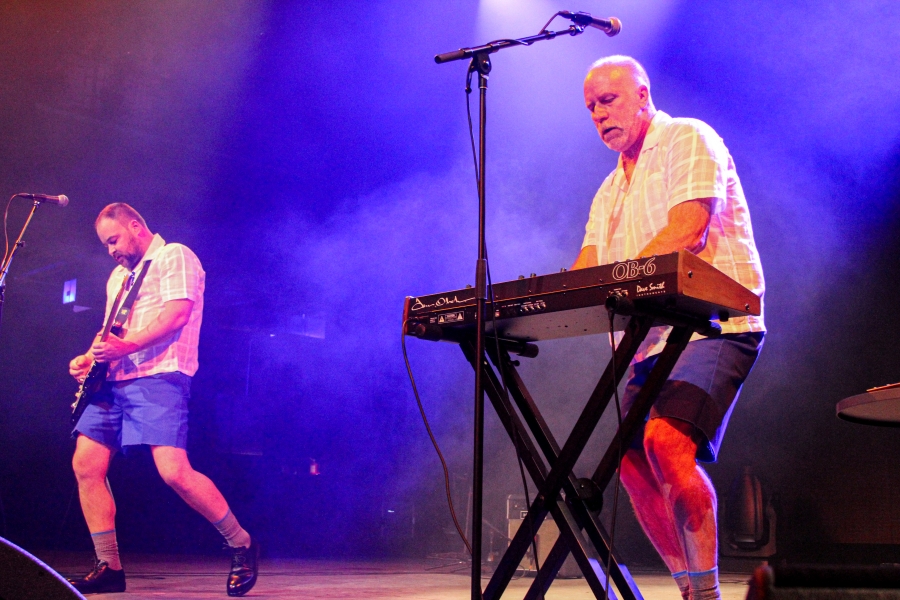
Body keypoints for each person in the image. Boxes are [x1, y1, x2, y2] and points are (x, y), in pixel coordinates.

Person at [572, 56, 765, 600]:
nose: (598, 114)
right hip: (649, 338)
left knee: (665, 442)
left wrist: (621, 281)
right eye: (590, 108)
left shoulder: (687, 137)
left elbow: (689, 230)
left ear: (642, 94)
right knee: (631, 463)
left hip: (712, 324)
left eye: (608, 100)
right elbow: (587, 266)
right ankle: (688, 588)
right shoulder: (609, 189)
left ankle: (706, 596)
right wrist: (531, 300)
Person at [67, 203, 258, 597]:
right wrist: (88, 357)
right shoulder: (118, 277)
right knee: (86, 464)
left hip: (159, 375)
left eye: (114, 240)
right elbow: (109, 332)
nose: (111, 250)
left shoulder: (175, 255)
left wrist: (126, 347)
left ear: (136, 226)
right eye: (105, 245)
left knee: (174, 472)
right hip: (112, 380)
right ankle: (109, 566)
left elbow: (176, 315)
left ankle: (241, 543)